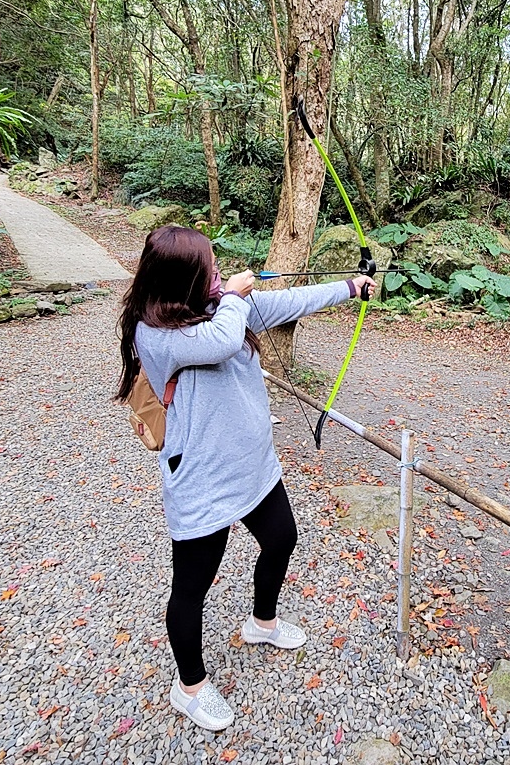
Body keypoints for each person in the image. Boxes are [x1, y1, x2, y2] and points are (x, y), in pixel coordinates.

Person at [115, 224, 374, 731]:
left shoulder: (221, 307)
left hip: (253, 467)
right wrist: (232, 295)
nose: (217, 271)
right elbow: (221, 340)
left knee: (282, 540)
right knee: (192, 587)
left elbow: (289, 301)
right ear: (180, 280)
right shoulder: (158, 334)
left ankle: (262, 623)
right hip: (203, 478)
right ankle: (189, 687)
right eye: (207, 267)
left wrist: (349, 287)